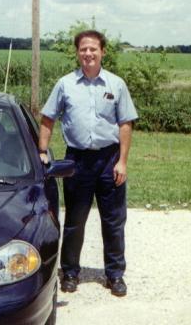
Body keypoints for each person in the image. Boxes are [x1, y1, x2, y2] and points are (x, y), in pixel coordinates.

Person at [38, 30, 138, 297]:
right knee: (74, 220)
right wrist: (42, 151)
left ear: (102, 52)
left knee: (114, 220)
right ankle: (70, 272)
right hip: (77, 161)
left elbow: (125, 124)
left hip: (109, 160)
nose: (88, 54)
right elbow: (48, 118)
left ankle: (114, 274)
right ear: (77, 52)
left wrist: (123, 162)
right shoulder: (65, 84)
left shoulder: (116, 85)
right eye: (83, 49)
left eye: (93, 49)